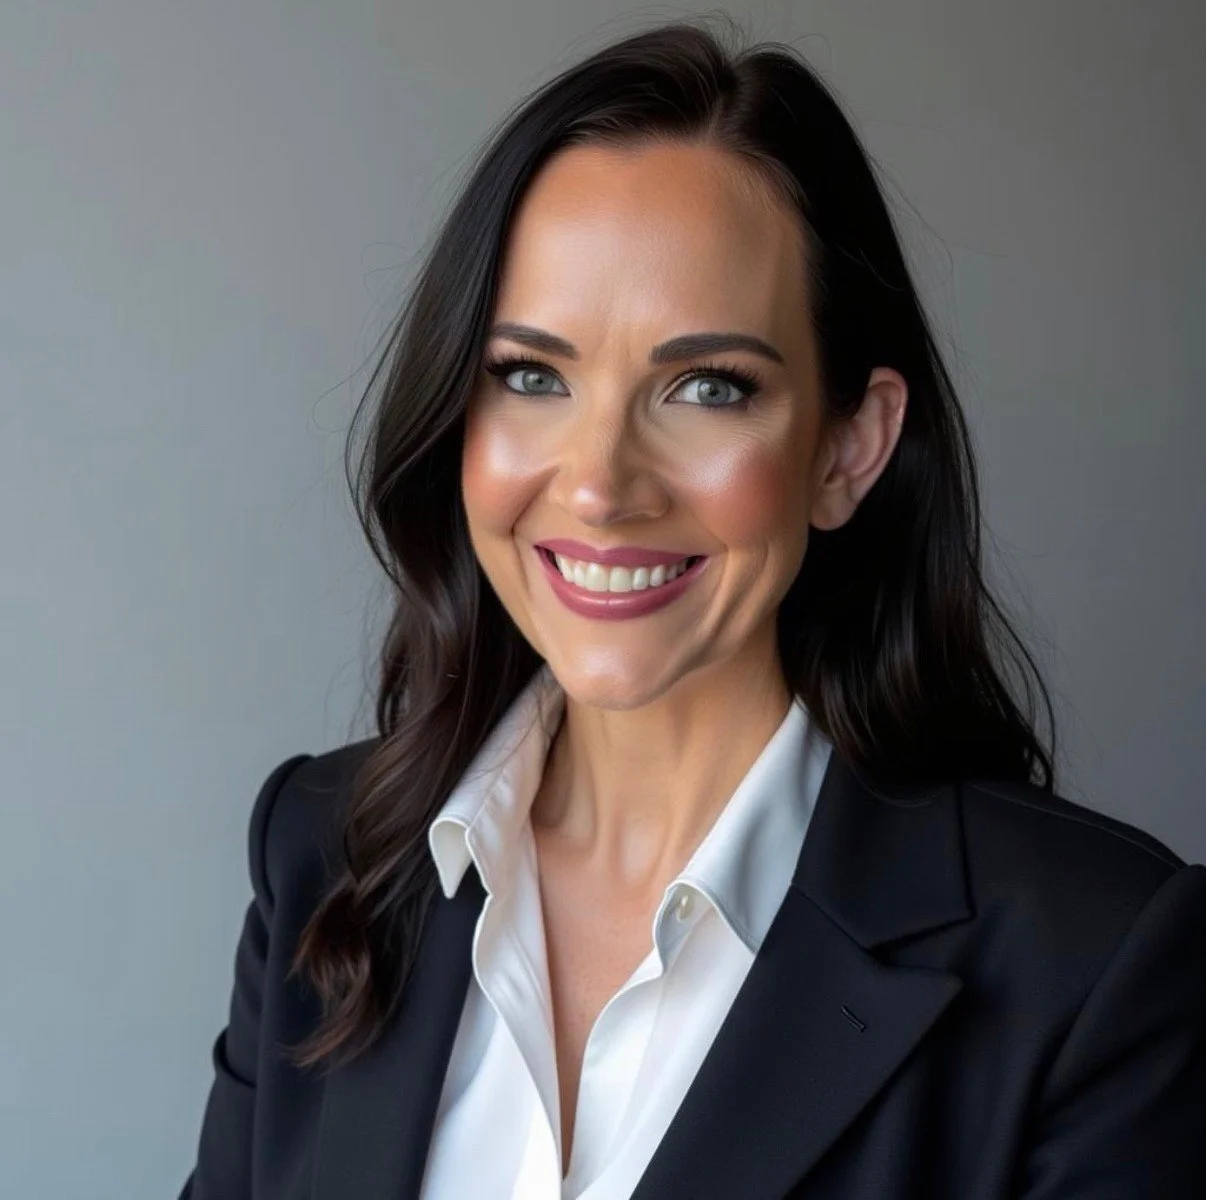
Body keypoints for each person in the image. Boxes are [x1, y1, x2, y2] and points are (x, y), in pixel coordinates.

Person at [178, 16, 1206, 1200]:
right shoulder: (323, 855)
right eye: (532, 376)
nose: (602, 483)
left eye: (707, 388)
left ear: (848, 448)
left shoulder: (1093, 965)